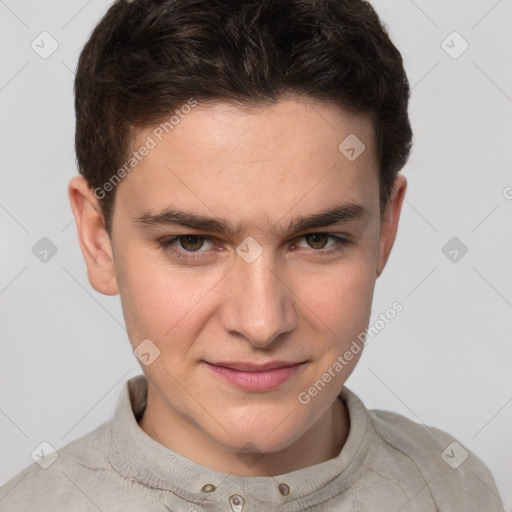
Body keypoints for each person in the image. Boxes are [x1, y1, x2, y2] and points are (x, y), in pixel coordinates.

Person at [0, 0, 505, 510]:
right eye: (191, 242)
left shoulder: (456, 489)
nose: (262, 323)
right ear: (97, 240)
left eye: (317, 239)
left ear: (385, 228)